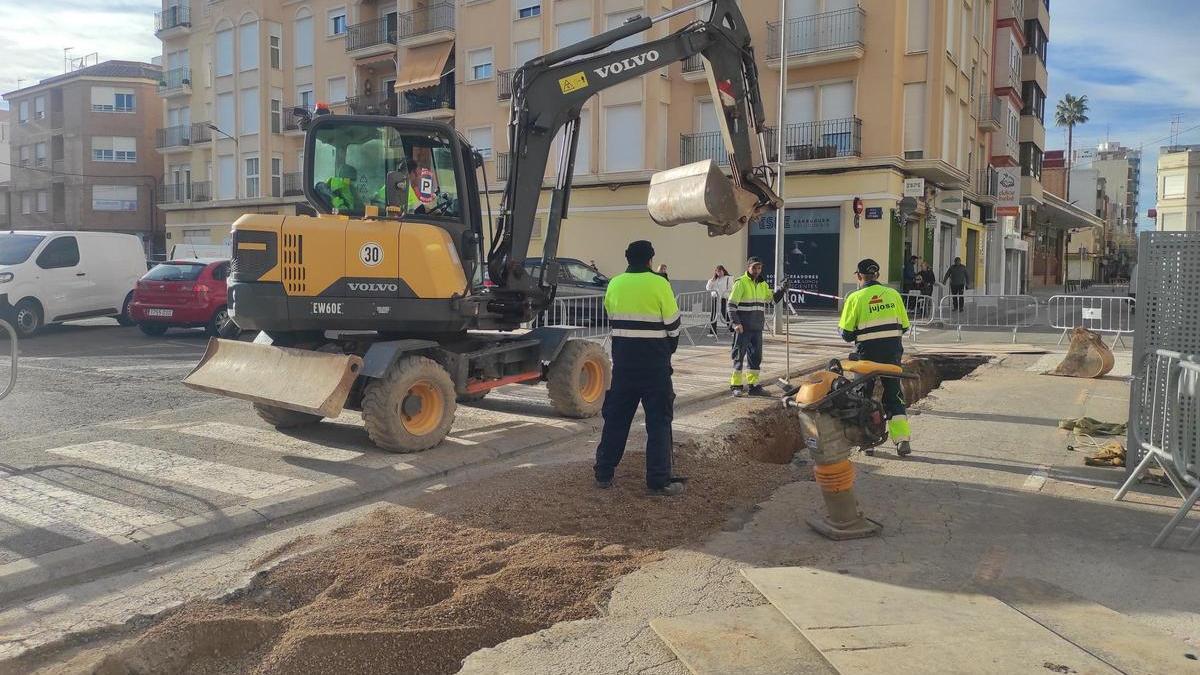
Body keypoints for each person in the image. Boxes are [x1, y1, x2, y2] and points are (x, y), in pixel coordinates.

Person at [594, 240, 686, 497]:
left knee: (616, 420)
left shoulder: (614, 283)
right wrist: (668, 350)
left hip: (623, 364)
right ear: (650, 259)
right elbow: (673, 325)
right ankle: (658, 481)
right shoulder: (660, 283)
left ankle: (603, 473)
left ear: (627, 258)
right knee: (658, 422)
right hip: (655, 366)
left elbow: (611, 316)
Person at [838, 259, 913, 457]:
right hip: (892, 353)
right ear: (878, 275)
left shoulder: (855, 298)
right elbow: (905, 326)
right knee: (894, 394)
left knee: (863, 397)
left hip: (867, 356)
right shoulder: (893, 294)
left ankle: (867, 441)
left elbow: (846, 334)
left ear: (859, 276)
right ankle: (902, 440)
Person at [728, 257, 787, 397]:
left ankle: (754, 387)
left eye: (759, 268)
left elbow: (772, 299)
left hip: (757, 328)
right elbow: (731, 305)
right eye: (754, 267)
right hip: (743, 328)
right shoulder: (740, 283)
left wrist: (782, 289)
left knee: (755, 357)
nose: (756, 270)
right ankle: (736, 386)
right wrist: (736, 323)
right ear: (748, 267)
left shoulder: (763, 285)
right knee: (738, 356)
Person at [705, 265, 733, 337]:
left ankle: (732, 329)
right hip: (715, 298)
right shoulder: (715, 279)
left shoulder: (728, 278)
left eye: (720, 271)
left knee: (725, 314)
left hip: (724, 298)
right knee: (713, 314)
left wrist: (726, 294)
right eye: (717, 272)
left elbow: (731, 288)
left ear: (723, 271)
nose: (719, 273)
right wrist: (712, 280)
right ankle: (712, 332)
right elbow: (708, 288)